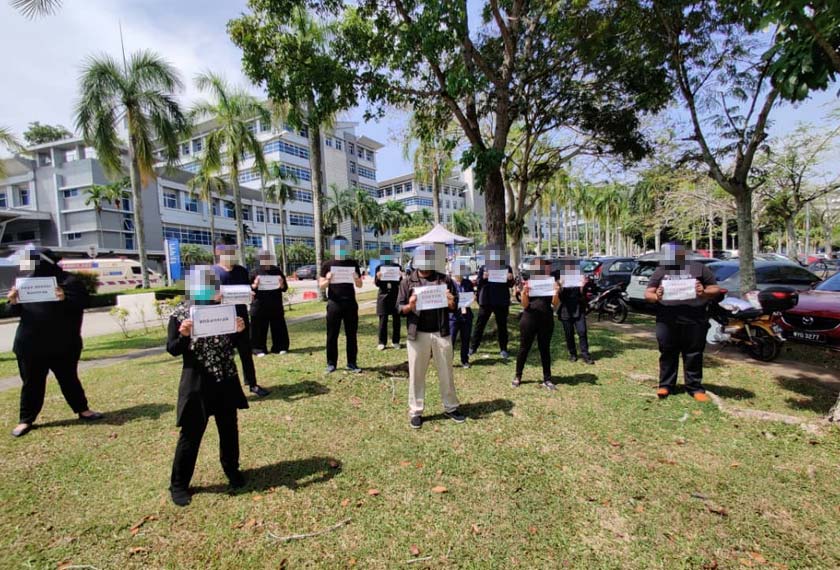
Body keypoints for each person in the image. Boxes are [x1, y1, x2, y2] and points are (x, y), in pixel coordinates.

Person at [167, 266, 248, 506]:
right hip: (198, 381)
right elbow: (172, 349)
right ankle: (179, 485)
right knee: (191, 434)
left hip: (225, 377)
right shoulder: (181, 313)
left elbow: (232, 342)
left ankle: (232, 470)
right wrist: (183, 335)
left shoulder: (224, 310)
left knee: (228, 429)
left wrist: (239, 330)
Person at [7, 248, 103, 438]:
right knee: (31, 383)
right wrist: (12, 302)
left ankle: (83, 410)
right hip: (30, 345)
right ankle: (26, 420)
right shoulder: (25, 284)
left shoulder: (69, 281)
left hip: (63, 344)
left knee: (69, 379)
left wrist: (65, 298)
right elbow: (14, 312)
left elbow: (84, 303)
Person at [398, 244, 466, 429]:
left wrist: (451, 301)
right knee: (416, 374)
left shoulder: (444, 280)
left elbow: (454, 306)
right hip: (417, 334)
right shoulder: (407, 281)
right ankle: (416, 411)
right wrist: (409, 306)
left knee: (446, 372)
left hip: (441, 332)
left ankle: (451, 407)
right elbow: (399, 309)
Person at [644, 243, 720, 401]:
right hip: (667, 320)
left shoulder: (699, 268)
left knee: (693, 353)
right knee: (667, 352)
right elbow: (648, 293)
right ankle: (665, 385)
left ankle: (695, 388)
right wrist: (657, 295)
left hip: (695, 319)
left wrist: (703, 292)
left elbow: (715, 289)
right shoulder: (661, 271)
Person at [213, 243, 270, 397]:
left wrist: (250, 293)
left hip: (241, 320)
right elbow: (202, 298)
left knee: (246, 354)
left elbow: (247, 290)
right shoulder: (212, 272)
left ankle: (252, 384)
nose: (232, 254)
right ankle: (225, 389)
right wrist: (215, 297)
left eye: (234, 251)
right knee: (224, 357)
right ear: (219, 252)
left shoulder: (241, 271)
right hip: (221, 321)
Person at [513, 258, 561, 390]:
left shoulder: (551, 282)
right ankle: (518, 376)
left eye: (543, 267)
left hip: (546, 319)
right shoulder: (528, 282)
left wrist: (556, 292)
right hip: (529, 318)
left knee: (544, 349)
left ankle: (547, 378)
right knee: (524, 348)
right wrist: (524, 293)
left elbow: (554, 304)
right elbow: (524, 305)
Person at [319, 236, 364, 373]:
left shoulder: (353, 263)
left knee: (351, 334)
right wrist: (327, 280)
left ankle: (352, 363)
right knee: (332, 335)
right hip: (334, 304)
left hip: (350, 303)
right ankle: (331, 363)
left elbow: (360, 285)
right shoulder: (327, 265)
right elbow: (321, 286)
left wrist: (357, 278)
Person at [469, 245, 515, 359]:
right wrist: (483, 277)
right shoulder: (484, 268)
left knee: (502, 326)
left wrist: (510, 278)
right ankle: (473, 348)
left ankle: (503, 349)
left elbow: (511, 284)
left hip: (501, 301)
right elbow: (478, 283)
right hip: (486, 301)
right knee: (480, 325)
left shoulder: (507, 267)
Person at [249, 250, 289, 356]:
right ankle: (258, 349)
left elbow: (285, 288)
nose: (266, 260)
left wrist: (281, 284)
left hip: (275, 305)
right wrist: (255, 285)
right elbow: (248, 289)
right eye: (263, 258)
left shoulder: (277, 271)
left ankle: (280, 347)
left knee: (279, 327)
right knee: (259, 329)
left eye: (268, 258)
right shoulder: (254, 272)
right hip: (259, 305)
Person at [557, 259, 596, 365]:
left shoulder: (579, 277)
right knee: (569, 333)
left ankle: (585, 354)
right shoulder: (561, 278)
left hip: (578, 308)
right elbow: (559, 297)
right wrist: (560, 286)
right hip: (566, 310)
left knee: (582, 331)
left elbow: (584, 295)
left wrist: (582, 286)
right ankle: (573, 354)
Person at [374, 247, 402, 350]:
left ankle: (396, 341)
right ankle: (382, 342)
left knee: (396, 319)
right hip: (383, 296)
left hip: (395, 295)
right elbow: (377, 284)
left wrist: (400, 276)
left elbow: (401, 283)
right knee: (383, 319)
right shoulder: (379, 267)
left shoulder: (397, 267)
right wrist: (378, 277)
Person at [449, 259, 475, 369]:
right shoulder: (449, 283)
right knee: (451, 340)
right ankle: (448, 361)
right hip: (453, 316)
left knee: (466, 338)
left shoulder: (468, 282)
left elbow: (471, 294)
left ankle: (465, 360)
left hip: (466, 315)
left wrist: (473, 298)